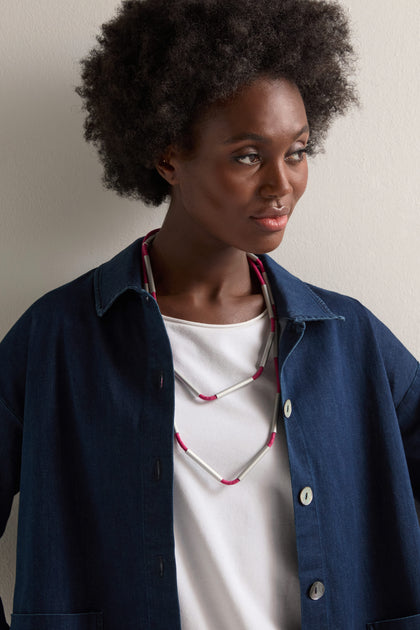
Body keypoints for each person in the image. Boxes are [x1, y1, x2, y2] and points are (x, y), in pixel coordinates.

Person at [0, 0, 419, 628]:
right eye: (248, 156)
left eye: (299, 151)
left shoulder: (350, 340)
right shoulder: (59, 338)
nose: (282, 184)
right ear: (170, 158)